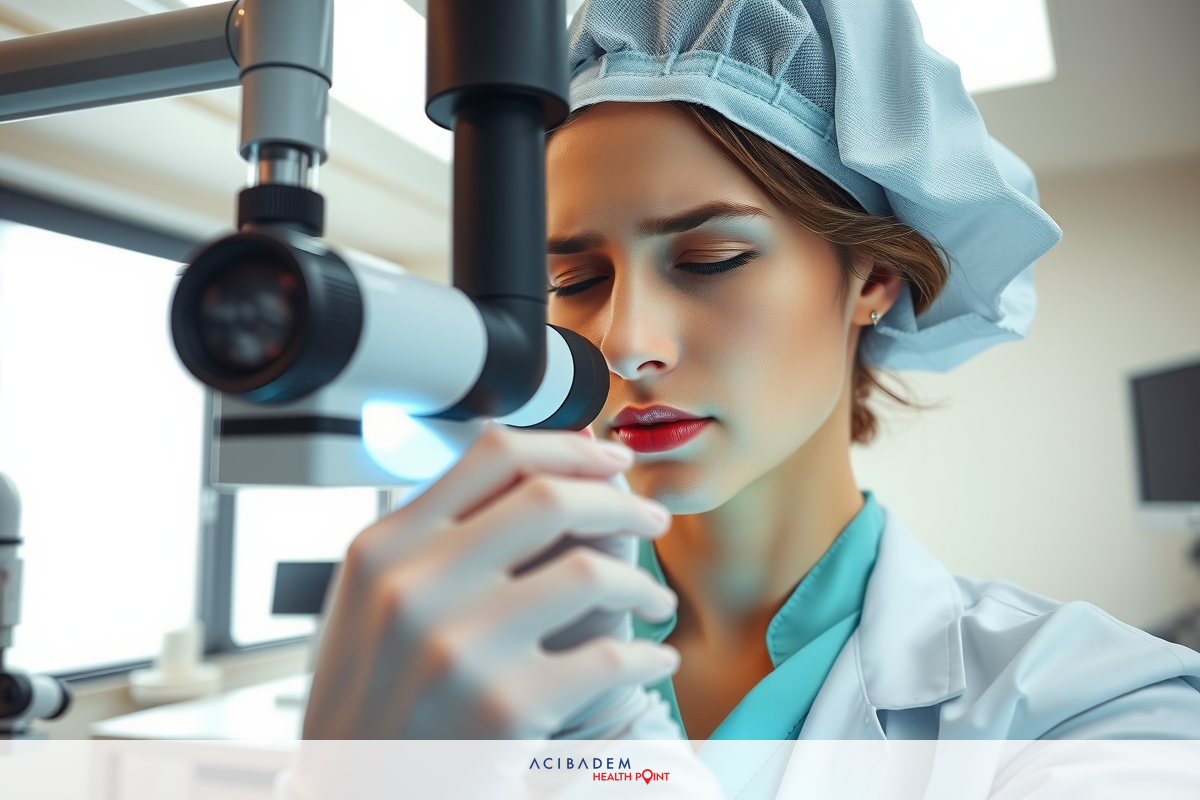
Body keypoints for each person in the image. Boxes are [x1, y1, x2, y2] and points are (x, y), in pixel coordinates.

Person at [298, 0, 1200, 793]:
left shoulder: (1091, 705)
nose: (625, 344)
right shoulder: (460, 654)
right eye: (574, 280)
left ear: (874, 277)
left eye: (709, 260)